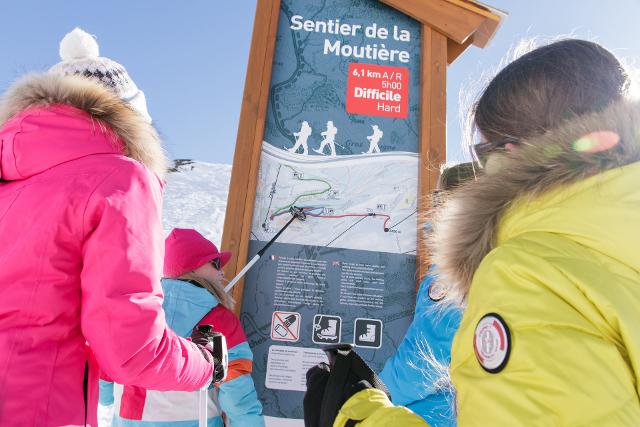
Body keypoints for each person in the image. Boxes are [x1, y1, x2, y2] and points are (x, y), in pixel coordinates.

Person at [306, 38, 640, 425]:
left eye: (484, 154)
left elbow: (433, 343)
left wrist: (361, 414)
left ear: (512, 151)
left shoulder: (528, 271)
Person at [0, 28, 216, 426]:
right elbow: (131, 349)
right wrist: (204, 363)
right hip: (38, 410)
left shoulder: (10, 182)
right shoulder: (120, 178)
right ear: (131, 120)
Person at [100, 228, 264, 427]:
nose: (221, 272)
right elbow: (236, 395)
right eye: (216, 263)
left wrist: (108, 394)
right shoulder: (215, 321)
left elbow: (105, 382)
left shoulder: (136, 314)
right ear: (194, 267)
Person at [379, 162, 475, 427]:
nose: (432, 206)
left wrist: (378, 393)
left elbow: (428, 355)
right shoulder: (476, 256)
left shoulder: (462, 265)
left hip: (435, 416)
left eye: (436, 197)